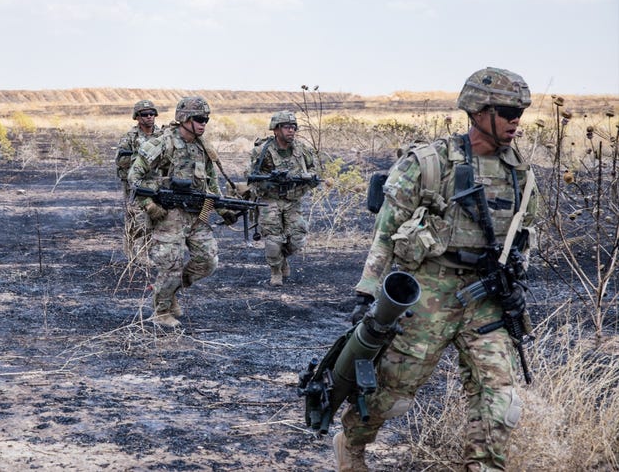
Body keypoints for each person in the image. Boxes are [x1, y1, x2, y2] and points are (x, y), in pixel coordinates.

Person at [334, 68, 538, 471]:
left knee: (500, 399)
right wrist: (367, 290)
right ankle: (352, 443)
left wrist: (516, 279)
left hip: (486, 297)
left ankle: (481, 465)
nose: (517, 120)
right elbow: (386, 232)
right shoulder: (430, 163)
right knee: (394, 392)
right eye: (508, 110)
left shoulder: (520, 173)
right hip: (428, 291)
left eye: (521, 112)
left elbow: (524, 233)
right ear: (478, 111)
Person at [127, 96, 238, 327]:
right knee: (170, 266)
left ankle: (171, 292)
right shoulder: (162, 143)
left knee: (208, 261)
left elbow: (211, 184)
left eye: (206, 119)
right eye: (199, 119)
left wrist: (223, 208)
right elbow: (134, 177)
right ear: (184, 118)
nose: (203, 123)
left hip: (197, 213)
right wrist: (149, 205)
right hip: (168, 215)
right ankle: (161, 312)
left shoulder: (203, 147)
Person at [246, 111, 319, 286]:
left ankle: (282, 259)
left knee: (298, 237)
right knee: (273, 239)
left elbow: (315, 171)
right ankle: (276, 271)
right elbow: (251, 177)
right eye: (286, 127)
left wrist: (308, 179)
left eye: (293, 127)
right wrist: (270, 183)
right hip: (269, 199)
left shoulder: (302, 150)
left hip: (293, 200)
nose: (291, 130)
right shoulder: (261, 151)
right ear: (276, 130)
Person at [115, 100, 162, 262]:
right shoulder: (130, 137)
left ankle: (146, 250)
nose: (149, 117)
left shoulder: (162, 134)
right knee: (138, 217)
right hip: (135, 184)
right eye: (145, 114)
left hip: (157, 183)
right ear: (137, 117)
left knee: (155, 217)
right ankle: (135, 252)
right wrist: (139, 160)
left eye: (152, 114)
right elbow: (120, 161)